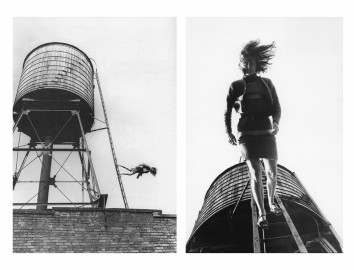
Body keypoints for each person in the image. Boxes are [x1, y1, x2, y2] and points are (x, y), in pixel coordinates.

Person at [224, 40, 282, 230]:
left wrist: (276, 123)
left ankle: (271, 202)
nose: (247, 65)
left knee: (272, 172)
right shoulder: (236, 85)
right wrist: (229, 132)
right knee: (256, 174)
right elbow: (227, 111)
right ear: (241, 64)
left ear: (257, 64)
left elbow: (276, 108)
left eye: (251, 62)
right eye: (244, 62)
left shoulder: (267, 83)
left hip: (266, 134)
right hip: (246, 136)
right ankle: (262, 214)